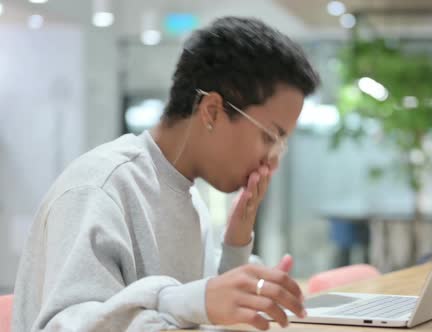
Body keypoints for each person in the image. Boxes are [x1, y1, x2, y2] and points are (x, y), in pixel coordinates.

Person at [12, 16, 320, 331]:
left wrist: (235, 246)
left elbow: (196, 319)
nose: (273, 162)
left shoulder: (188, 199)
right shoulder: (98, 189)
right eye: (269, 137)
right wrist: (182, 301)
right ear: (212, 111)